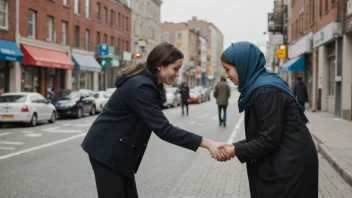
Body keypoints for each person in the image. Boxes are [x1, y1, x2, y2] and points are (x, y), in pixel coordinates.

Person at [81, 42, 228, 198]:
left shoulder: (149, 83)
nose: (177, 74)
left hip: (119, 152)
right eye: (175, 68)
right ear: (160, 66)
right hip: (106, 151)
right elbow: (164, 130)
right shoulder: (141, 87)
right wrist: (207, 144)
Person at [217, 42, 318, 198]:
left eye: (228, 69)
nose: (227, 75)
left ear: (243, 65)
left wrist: (235, 150)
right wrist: (234, 146)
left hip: (290, 169)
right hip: (284, 162)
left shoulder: (265, 91)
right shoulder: (259, 87)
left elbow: (268, 140)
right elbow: (266, 134)